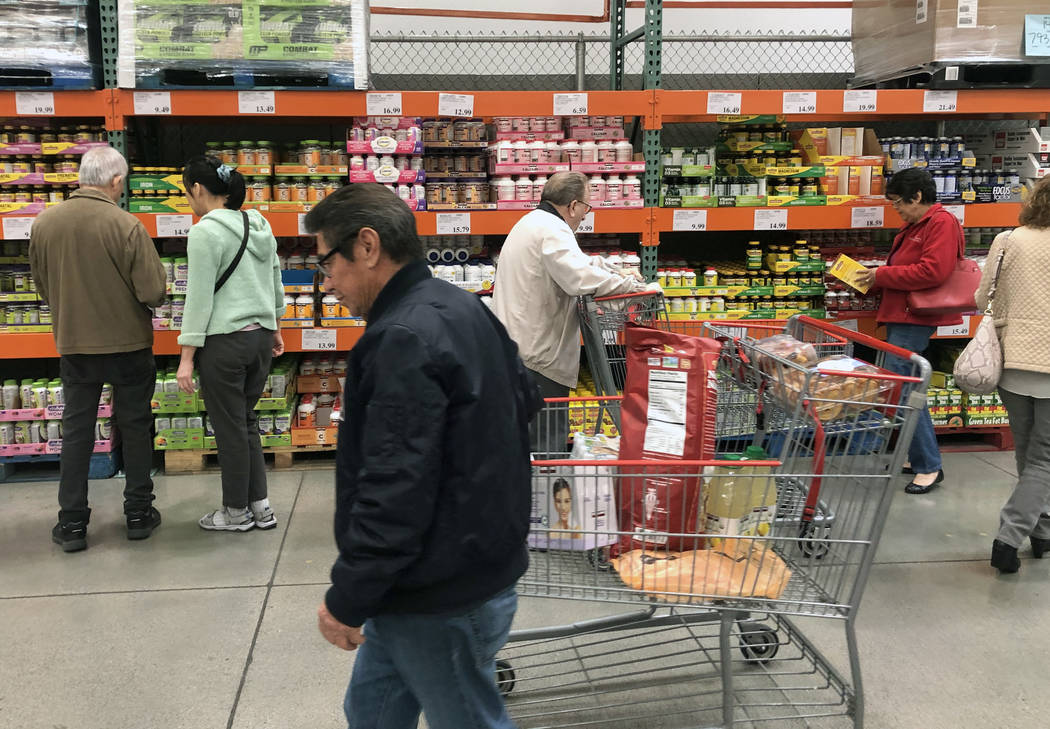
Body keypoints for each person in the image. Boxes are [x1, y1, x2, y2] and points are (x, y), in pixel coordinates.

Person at [305, 183, 537, 729]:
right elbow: (524, 402)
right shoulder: (460, 306)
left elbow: (394, 487)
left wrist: (348, 595)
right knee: (371, 711)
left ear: (367, 246)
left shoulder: (402, 337)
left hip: (440, 595)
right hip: (439, 576)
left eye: (327, 262)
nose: (326, 281)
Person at [29, 146, 167, 552]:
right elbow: (155, 291)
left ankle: (71, 523)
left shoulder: (45, 224)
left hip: (74, 343)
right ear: (116, 182)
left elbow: (42, 287)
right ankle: (139, 513)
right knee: (136, 425)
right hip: (128, 344)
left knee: (76, 431)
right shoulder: (125, 224)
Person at [493, 171, 652, 454]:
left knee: (525, 444)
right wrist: (631, 286)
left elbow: (576, 264)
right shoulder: (553, 230)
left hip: (520, 348)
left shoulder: (534, 222)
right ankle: (541, 497)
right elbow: (579, 277)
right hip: (537, 357)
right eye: (587, 207)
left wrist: (614, 270)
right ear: (573, 206)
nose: (585, 216)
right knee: (544, 448)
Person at [176, 156, 285, 532]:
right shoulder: (258, 223)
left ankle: (235, 512)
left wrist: (186, 357)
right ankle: (262, 506)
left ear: (198, 189)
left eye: (187, 191)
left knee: (229, 429)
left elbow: (199, 298)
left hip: (225, 343)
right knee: (246, 420)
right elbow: (274, 277)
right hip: (259, 341)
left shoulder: (205, 232)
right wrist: (275, 326)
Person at [855, 168, 963, 495]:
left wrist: (881, 275)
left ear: (917, 197)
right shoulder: (917, 224)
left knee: (904, 391)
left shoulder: (941, 223)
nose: (896, 209)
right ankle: (916, 457)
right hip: (902, 316)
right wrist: (875, 277)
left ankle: (929, 466)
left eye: (899, 202)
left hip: (914, 318)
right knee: (903, 390)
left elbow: (933, 271)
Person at [976, 178, 1050, 573]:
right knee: (1044, 459)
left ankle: (1042, 531)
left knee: (1029, 454)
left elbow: (980, 296)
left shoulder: (1009, 239)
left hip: (1015, 360)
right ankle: (1009, 537)